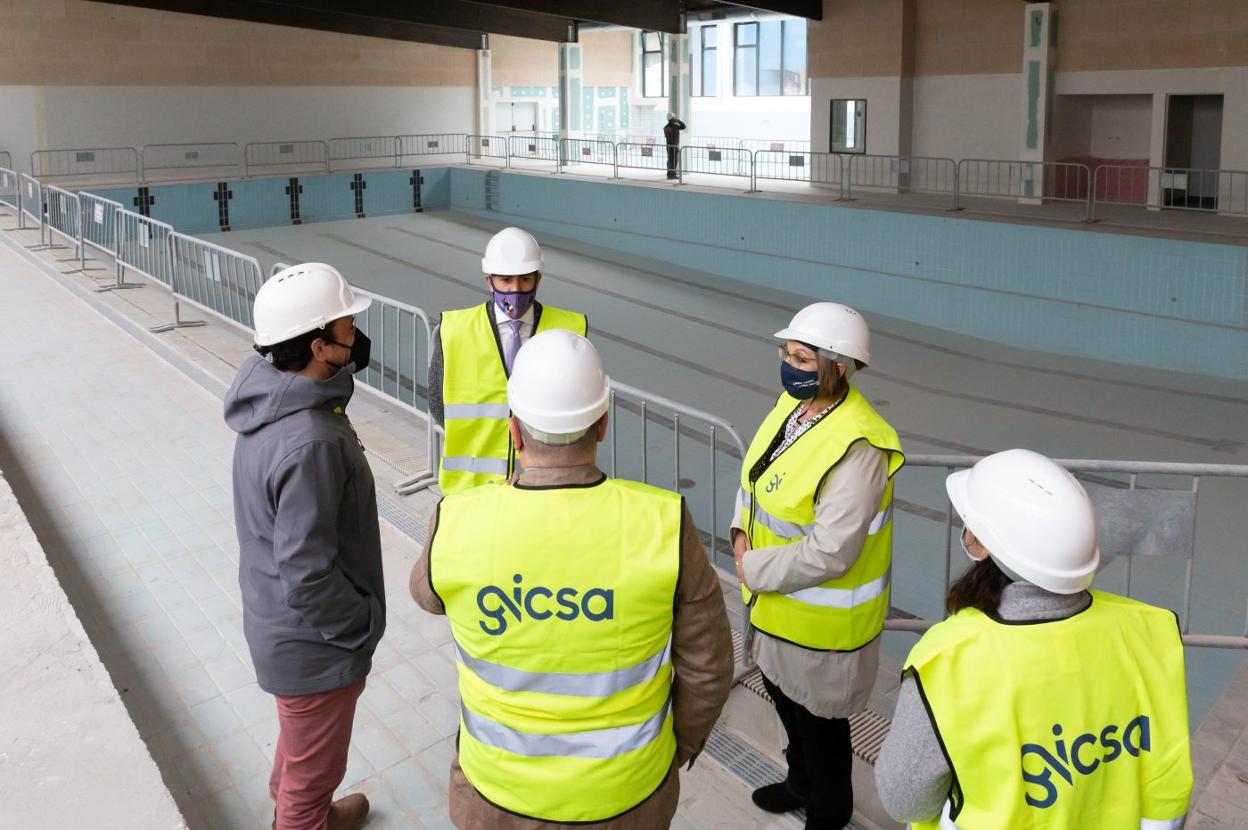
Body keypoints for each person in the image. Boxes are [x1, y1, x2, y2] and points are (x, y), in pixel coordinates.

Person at [411, 330, 734, 829]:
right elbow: (708, 670)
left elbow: (426, 596)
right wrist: (672, 750)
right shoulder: (664, 523)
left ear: (513, 430)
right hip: (629, 797)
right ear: (603, 424)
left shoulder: (455, 520)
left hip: (497, 796)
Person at [875, 449, 1192, 829]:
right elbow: (1166, 777)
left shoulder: (949, 660)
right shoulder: (1146, 630)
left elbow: (905, 800)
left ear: (980, 545)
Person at [732, 302, 904, 830]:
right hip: (776, 608)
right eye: (787, 353)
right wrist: (740, 529)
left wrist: (750, 567)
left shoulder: (860, 445)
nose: (789, 365)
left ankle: (828, 812)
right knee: (786, 706)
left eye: (803, 358)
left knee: (822, 730)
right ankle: (799, 783)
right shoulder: (793, 406)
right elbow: (758, 479)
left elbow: (833, 550)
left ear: (840, 365)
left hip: (821, 629)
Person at [225, 263, 385, 830]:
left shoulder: (274, 402)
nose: (356, 337)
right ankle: (303, 817)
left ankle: (308, 809)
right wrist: (358, 626)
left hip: (280, 626)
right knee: (312, 766)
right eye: (346, 328)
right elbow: (308, 573)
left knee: (300, 749)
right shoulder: (309, 439)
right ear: (320, 347)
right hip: (313, 645)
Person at [428, 226, 587, 493]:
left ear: (539, 278)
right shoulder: (455, 331)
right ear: (488, 281)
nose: (516, 290)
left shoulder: (569, 331)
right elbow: (438, 404)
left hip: (546, 488)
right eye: (505, 280)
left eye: (525, 280)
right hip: (471, 490)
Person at [663, 111, 686, 179]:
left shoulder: (666, 127)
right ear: (673, 118)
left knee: (670, 159)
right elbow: (684, 126)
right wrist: (678, 120)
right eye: (674, 117)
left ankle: (669, 174)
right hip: (674, 146)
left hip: (668, 145)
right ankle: (672, 174)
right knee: (674, 160)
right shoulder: (675, 126)